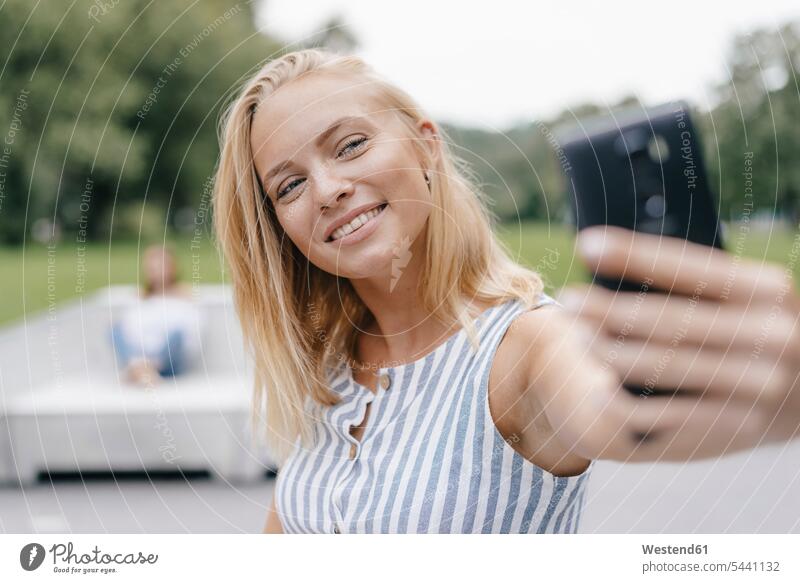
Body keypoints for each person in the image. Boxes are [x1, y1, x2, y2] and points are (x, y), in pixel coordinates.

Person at [211, 49, 799, 534]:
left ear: (426, 147)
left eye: (350, 146)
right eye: (289, 185)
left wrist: (776, 391)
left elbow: (608, 409)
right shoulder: (327, 369)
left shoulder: (525, 347)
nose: (328, 188)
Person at [110, 244, 201, 386]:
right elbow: (129, 329)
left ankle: (140, 369)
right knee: (115, 330)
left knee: (177, 334)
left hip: (169, 361)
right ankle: (142, 368)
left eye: (161, 265)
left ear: (172, 267)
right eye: (152, 266)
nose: (157, 270)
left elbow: (190, 336)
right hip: (141, 351)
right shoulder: (140, 298)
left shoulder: (184, 296)